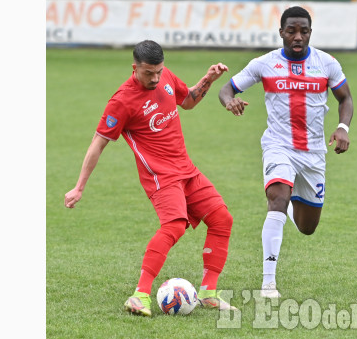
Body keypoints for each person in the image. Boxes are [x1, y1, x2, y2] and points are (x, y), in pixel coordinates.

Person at [65, 40, 236, 317]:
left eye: (158, 71)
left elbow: (188, 101)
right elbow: (98, 143)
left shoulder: (164, 77)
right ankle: (140, 295)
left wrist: (208, 78)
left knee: (221, 219)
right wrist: (79, 187)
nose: (155, 78)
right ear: (135, 68)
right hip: (160, 177)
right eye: (148, 73)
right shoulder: (121, 101)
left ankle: (208, 293)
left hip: (187, 170)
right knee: (175, 226)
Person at [218, 6, 354, 298]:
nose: (297, 36)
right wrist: (229, 102)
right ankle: (269, 283)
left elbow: (346, 98)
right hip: (278, 145)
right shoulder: (264, 64)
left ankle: (292, 201)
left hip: (314, 153)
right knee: (277, 197)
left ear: (310, 33)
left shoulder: (327, 63)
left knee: (307, 228)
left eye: (303, 31)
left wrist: (343, 127)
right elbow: (226, 89)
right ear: (281, 32)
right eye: (291, 30)